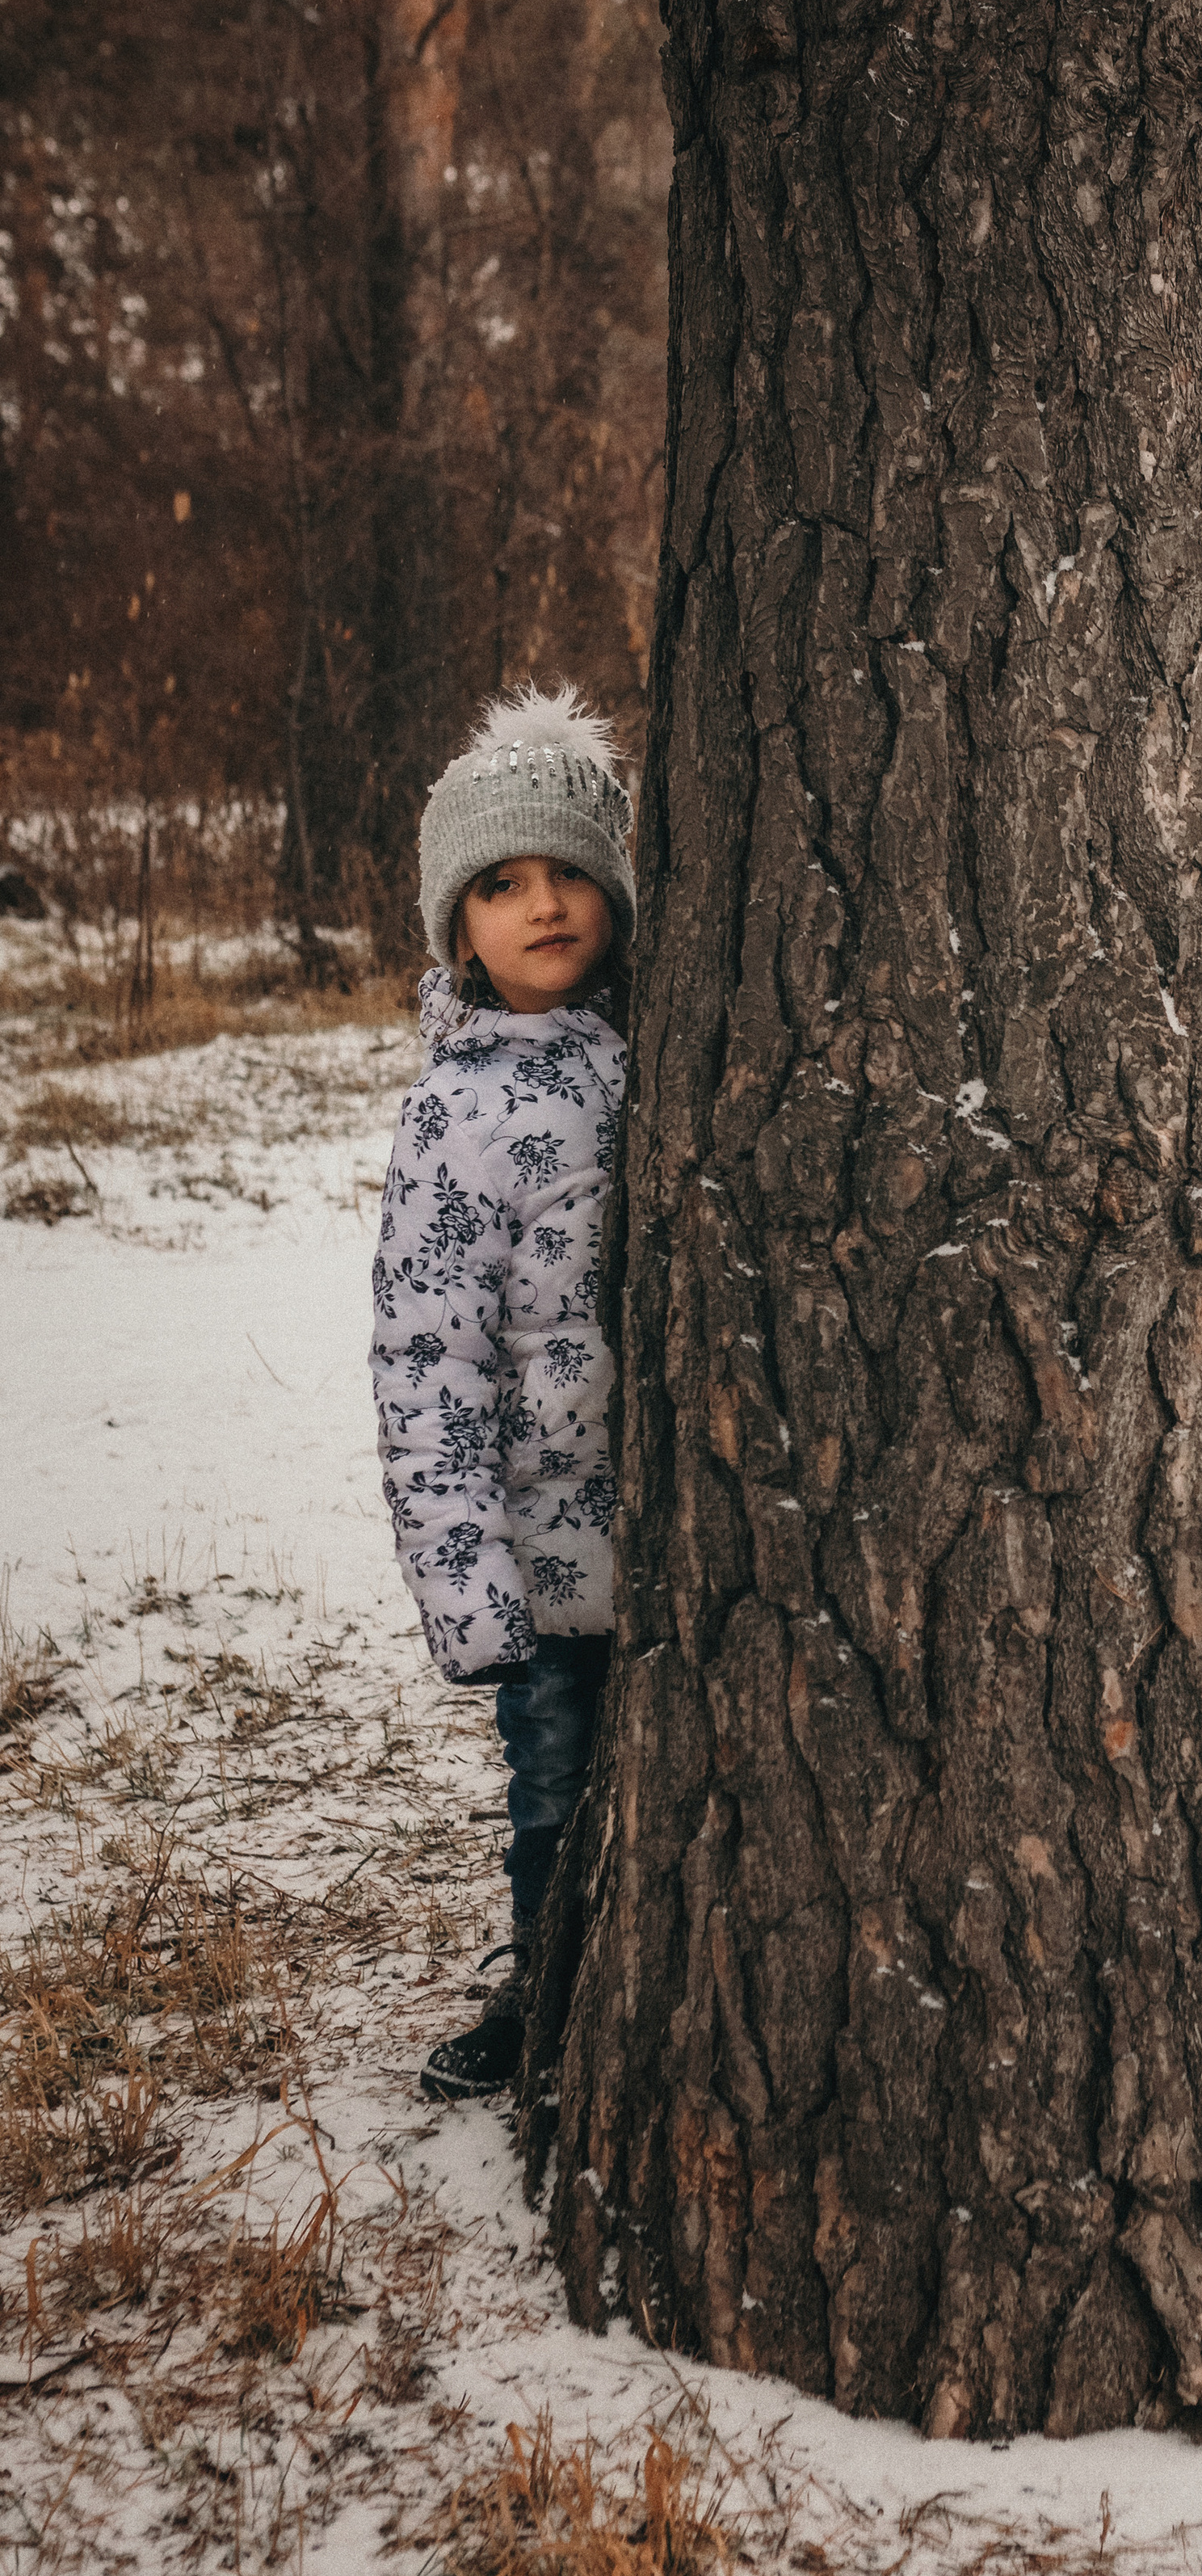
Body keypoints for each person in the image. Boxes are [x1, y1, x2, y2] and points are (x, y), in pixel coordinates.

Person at [370, 685, 634, 2101]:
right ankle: (544, 1991)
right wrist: (468, 1588)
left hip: (680, 1536)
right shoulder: (455, 1114)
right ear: (457, 922)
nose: (545, 905)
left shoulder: (667, 1053)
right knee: (557, 1797)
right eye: (503, 883)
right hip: (542, 1562)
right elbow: (430, 1362)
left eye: (572, 872)